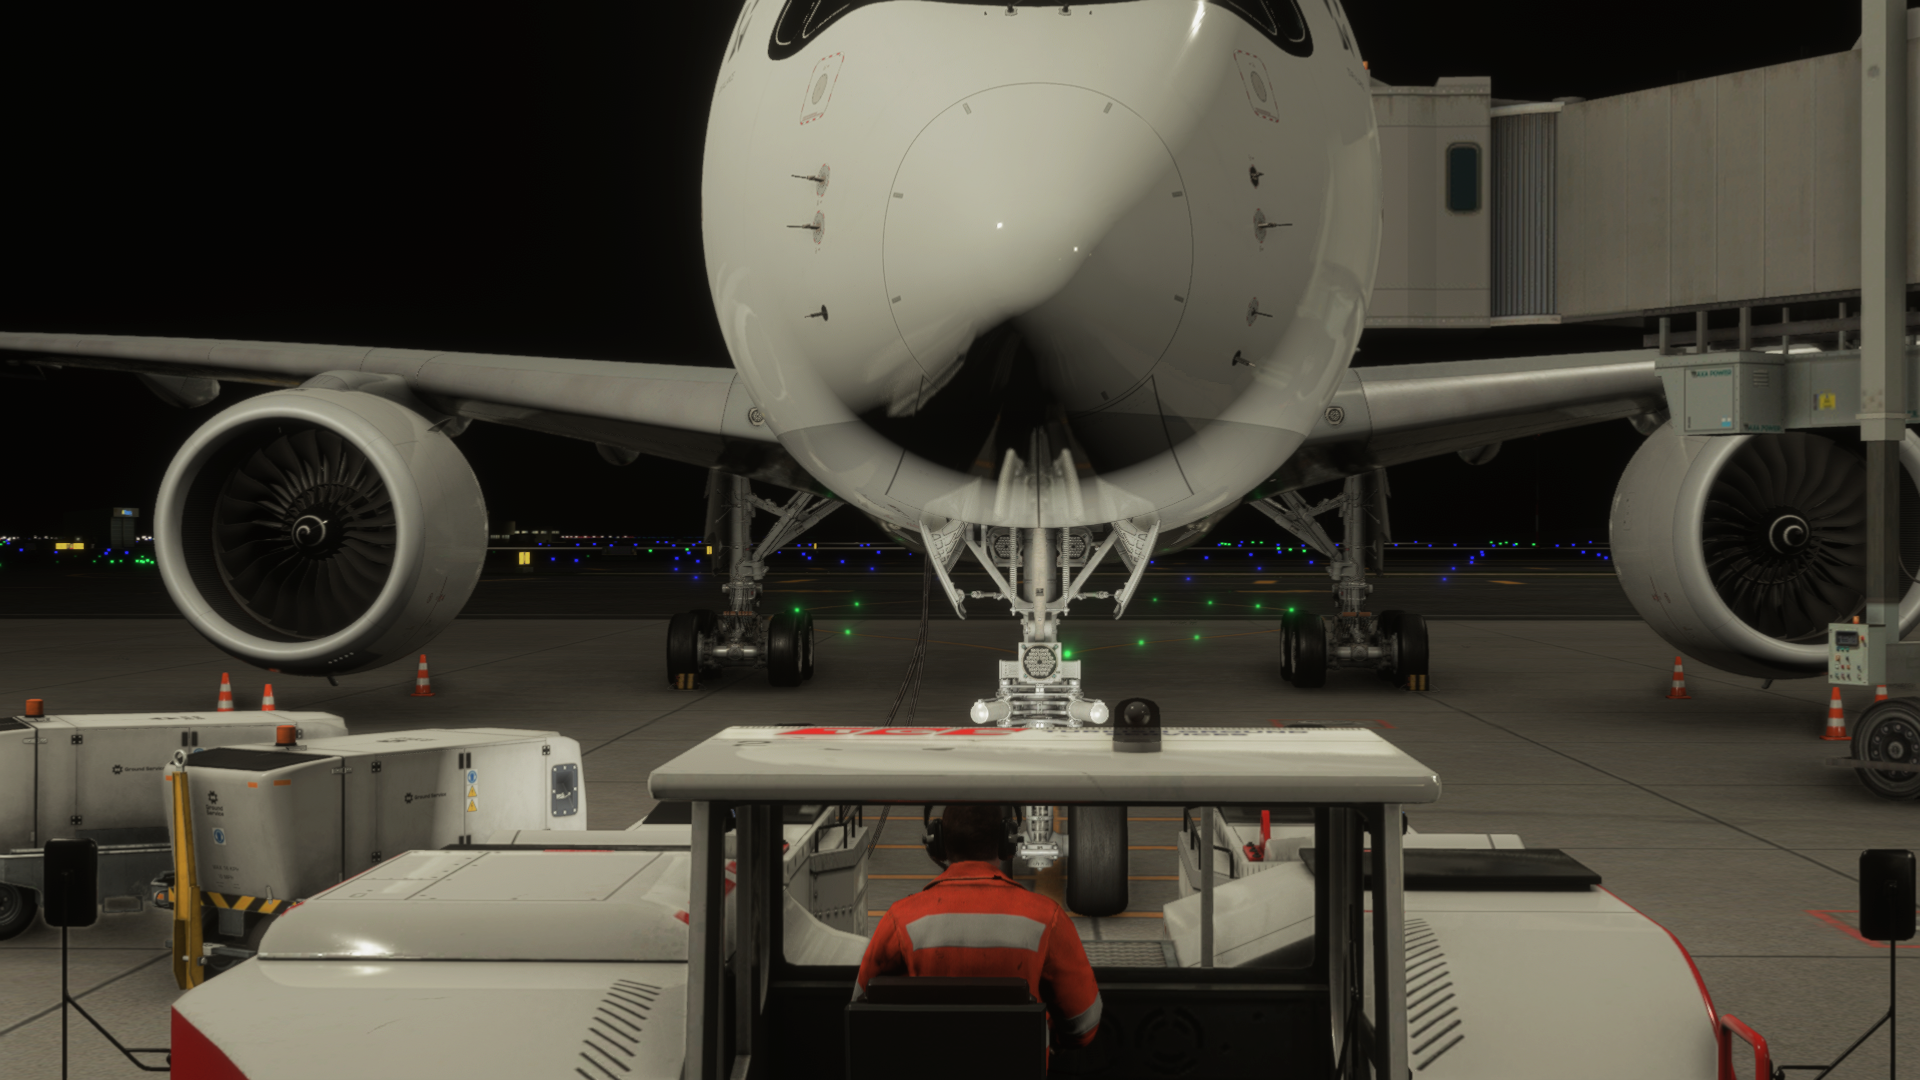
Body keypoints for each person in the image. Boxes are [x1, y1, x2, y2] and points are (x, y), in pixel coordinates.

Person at [853, 804, 1102, 1048]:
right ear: (1007, 842)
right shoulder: (1048, 918)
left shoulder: (900, 919)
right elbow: (1084, 1026)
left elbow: (859, 1012)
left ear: (937, 844)